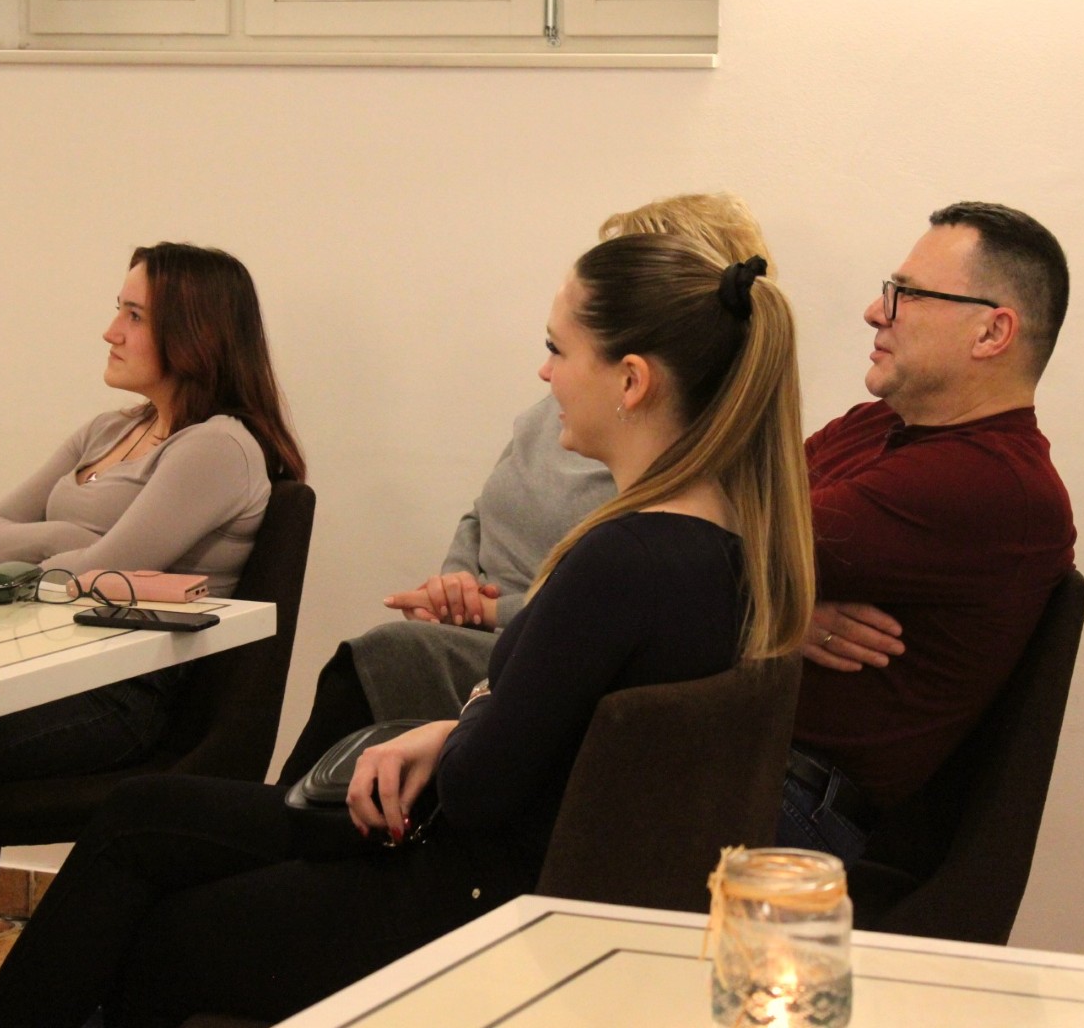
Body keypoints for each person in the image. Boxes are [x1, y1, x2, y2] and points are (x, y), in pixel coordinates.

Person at [0, 231, 815, 1028]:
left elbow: (480, 787)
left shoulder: (621, 560)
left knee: (158, 919)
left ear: (631, 381)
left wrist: (459, 730)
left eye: (558, 349)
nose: (545, 372)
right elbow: (535, 732)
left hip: (467, 895)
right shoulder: (728, 549)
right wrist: (456, 726)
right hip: (497, 867)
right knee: (142, 815)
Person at [0, 242, 306, 941]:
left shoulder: (217, 448)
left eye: (134, 316)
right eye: (118, 311)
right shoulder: (107, 430)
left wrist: (61, 552)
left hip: (118, 699)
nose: (111, 332)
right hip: (35, 673)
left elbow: (87, 579)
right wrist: (71, 544)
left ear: (193, 334)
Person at [278, 192, 776, 782]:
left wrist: (487, 631)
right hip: (506, 652)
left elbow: (596, 619)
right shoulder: (563, 417)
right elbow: (483, 512)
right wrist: (456, 583)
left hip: (526, 662)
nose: (549, 368)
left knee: (380, 657)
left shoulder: (649, 527)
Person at [777, 202, 1077, 864]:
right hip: (753, 754)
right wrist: (782, 609)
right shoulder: (876, 423)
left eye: (906, 294)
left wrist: (769, 604)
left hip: (792, 806)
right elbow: (725, 519)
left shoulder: (988, 486)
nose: (875, 312)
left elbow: (690, 551)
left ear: (991, 332)